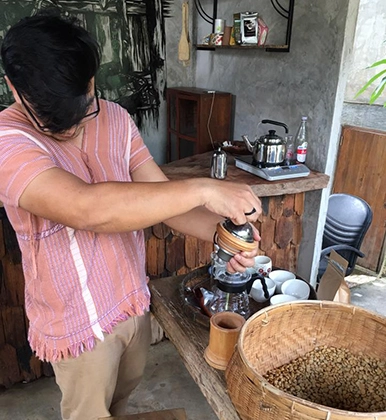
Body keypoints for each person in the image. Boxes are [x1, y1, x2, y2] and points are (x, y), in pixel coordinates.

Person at [0, 13, 262, 420]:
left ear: (91, 79)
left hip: (131, 304)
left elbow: (165, 201)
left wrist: (227, 236)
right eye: (54, 121)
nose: (73, 129)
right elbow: (87, 209)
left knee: (120, 406)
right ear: (14, 90)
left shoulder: (117, 120)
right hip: (79, 326)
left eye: (82, 109)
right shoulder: (8, 141)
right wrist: (205, 187)